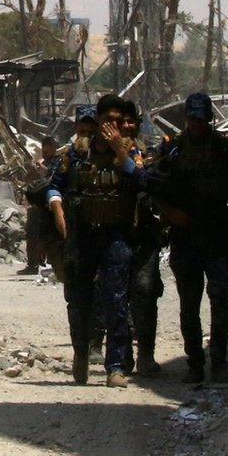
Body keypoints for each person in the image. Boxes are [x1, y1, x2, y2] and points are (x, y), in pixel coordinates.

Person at [152, 91, 228, 384]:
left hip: (218, 234)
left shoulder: (224, 149)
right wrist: (170, 213)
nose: (196, 124)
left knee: (220, 296)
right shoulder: (173, 150)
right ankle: (195, 363)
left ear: (209, 119)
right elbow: (153, 188)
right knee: (189, 303)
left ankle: (219, 362)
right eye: (192, 119)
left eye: (201, 119)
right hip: (185, 236)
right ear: (187, 119)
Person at [48, 95, 145, 388]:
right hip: (84, 234)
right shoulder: (78, 153)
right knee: (80, 299)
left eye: (117, 121)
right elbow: (54, 185)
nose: (112, 127)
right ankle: (80, 351)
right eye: (107, 121)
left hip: (115, 234)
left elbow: (143, 183)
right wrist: (57, 210)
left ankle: (115, 366)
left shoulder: (130, 152)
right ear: (98, 121)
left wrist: (121, 153)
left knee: (115, 300)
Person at [98, 95, 166, 377]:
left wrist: (123, 156)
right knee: (117, 296)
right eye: (117, 122)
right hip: (115, 233)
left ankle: (146, 355)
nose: (122, 127)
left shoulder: (146, 152)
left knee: (145, 291)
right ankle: (121, 358)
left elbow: (147, 181)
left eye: (127, 122)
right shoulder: (99, 154)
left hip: (144, 234)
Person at [20, 136, 62, 275]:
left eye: (48, 150)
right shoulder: (44, 162)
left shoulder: (59, 162)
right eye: (44, 151)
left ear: (54, 149)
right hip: (38, 205)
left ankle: (52, 265)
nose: (46, 154)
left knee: (50, 237)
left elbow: (55, 178)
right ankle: (33, 264)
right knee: (32, 234)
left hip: (51, 206)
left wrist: (45, 171)